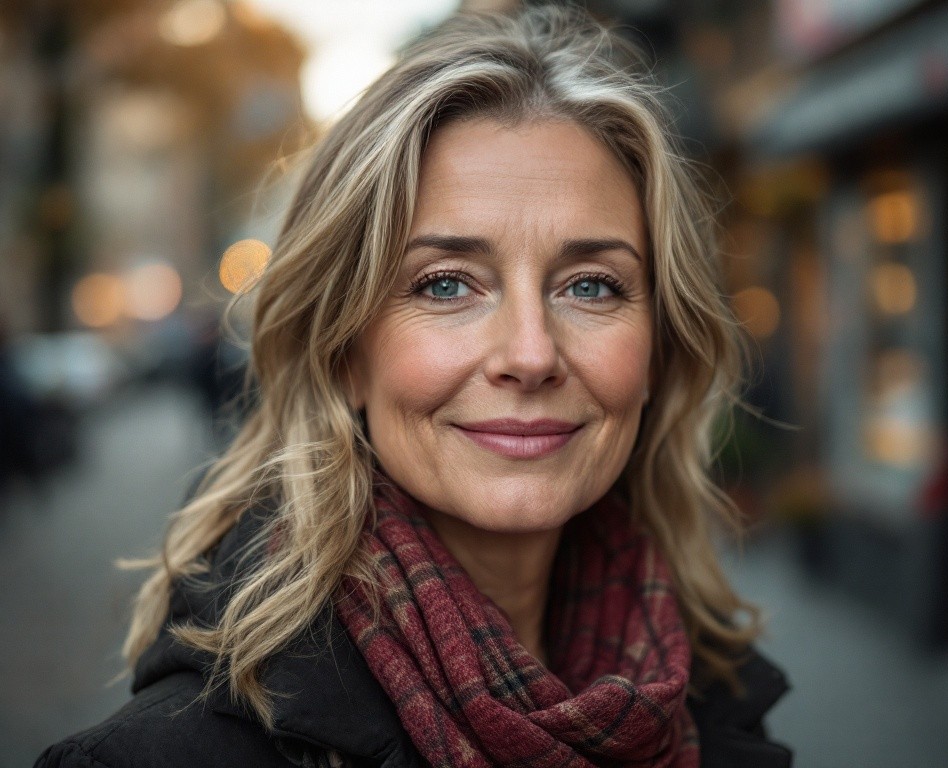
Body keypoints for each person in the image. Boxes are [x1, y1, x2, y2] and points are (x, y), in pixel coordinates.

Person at [37, 6, 791, 767]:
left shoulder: (714, 705)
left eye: (591, 286)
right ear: (345, 352)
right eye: (445, 285)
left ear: (660, 347)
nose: (530, 355)